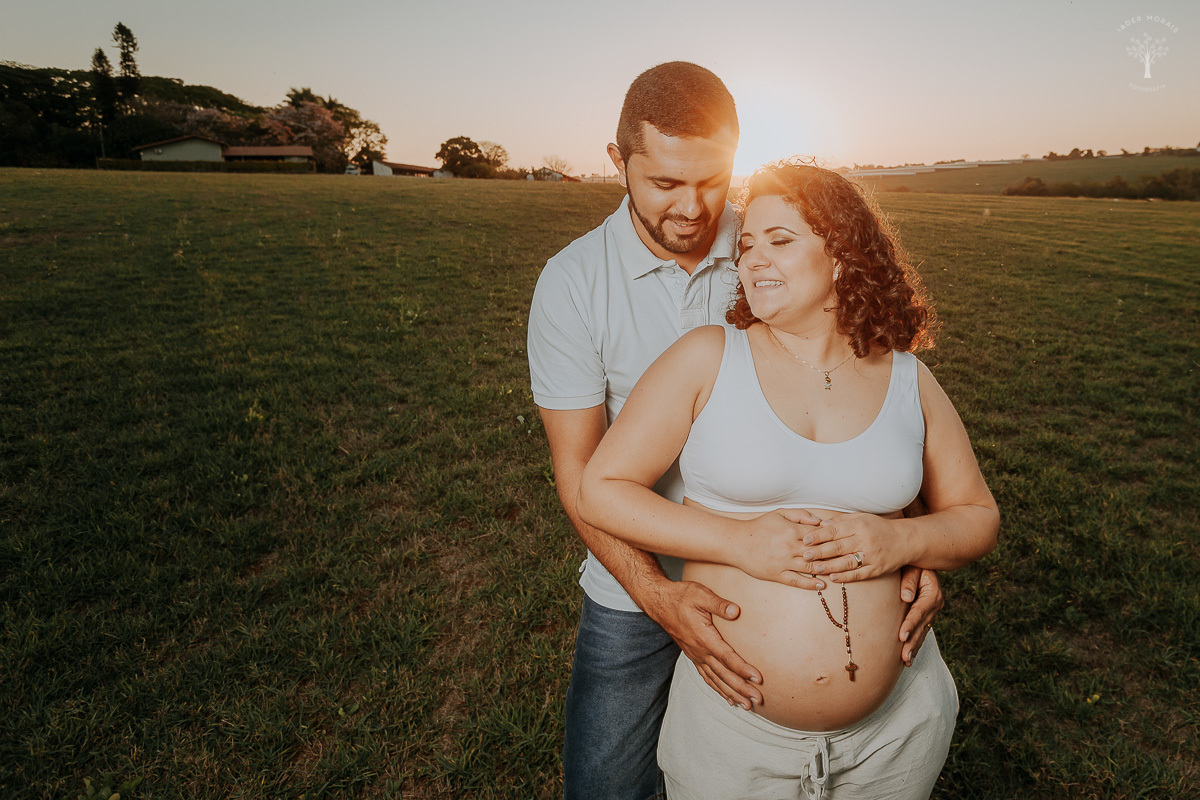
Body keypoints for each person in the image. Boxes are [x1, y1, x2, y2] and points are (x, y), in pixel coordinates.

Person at [527, 62, 943, 800]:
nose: (694, 208)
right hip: (637, 571)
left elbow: (854, 398)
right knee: (605, 785)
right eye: (664, 183)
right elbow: (580, 474)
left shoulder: (767, 247)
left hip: (785, 572)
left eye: (713, 180)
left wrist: (903, 543)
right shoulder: (573, 283)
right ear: (617, 162)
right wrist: (659, 597)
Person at [576, 160, 1000, 798]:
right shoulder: (707, 358)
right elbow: (601, 489)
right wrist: (738, 541)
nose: (753, 260)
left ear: (842, 255)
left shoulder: (908, 378)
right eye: (747, 245)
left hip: (896, 733)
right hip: (736, 739)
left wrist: (903, 543)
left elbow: (977, 516)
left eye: (781, 240)